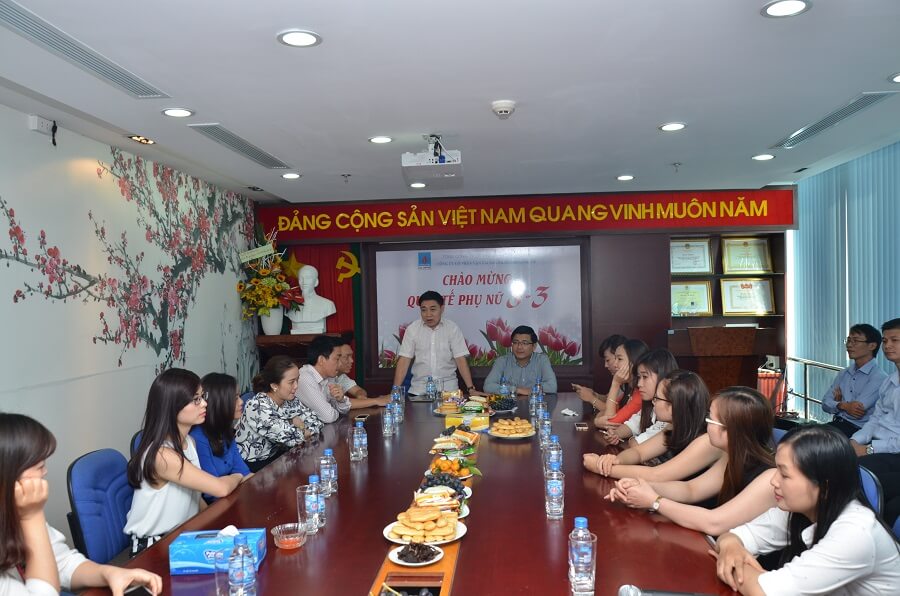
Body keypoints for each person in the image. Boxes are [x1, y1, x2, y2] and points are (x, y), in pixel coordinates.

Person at [713, 424, 900, 595]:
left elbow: (762, 591)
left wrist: (733, 563)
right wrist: (731, 547)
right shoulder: (799, 507)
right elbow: (733, 536)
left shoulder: (856, 533)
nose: (773, 481)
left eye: (784, 474)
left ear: (824, 487)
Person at [0, 413, 162, 596]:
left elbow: (63, 563)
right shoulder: (30, 514)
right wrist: (33, 516)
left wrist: (109, 573)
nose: (44, 472)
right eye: (38, 467)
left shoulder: (17, 510)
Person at [607, 386, 777, 536]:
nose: (706, 424)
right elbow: (690, 490)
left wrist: (654, 501)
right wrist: (641, 486)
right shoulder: (733, 455)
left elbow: (714, 522)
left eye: (711, 419)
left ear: (731, 430)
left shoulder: (770, 477)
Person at [125, 369, 245, 555]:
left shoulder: (189, 442)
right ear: (173, 407)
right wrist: (238, 476)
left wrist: (216, 528)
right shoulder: (162, 455)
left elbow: (195, 498)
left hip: (183, 536)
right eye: (196, 399)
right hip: (153, 546)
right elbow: (221, 488)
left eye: (202, 397)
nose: (204, 404)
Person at [584, 369, 709, 477]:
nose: (653, 402)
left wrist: (600, 467)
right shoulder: (673, 426)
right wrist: (614, 460)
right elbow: (639, 452)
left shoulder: (704, 439)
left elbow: (657, 475)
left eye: (657, 398)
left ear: (673, 406)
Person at [850, 317, 900, 526]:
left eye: (895, 340)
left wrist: (868, 450)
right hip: (880, 447)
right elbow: (875, 419)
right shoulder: (890, 381)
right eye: (885, 341)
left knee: (855, 475)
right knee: (836, 460)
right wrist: (855, 441)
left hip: (894, 453)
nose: (887, 346)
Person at [236, 355, 324, 472]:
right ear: (274, 386)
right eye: (291, 382)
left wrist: (300, 427)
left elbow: (317, 423)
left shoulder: (290, 400)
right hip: (253, 465)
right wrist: (300, 426)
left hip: (277, 457)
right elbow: (292, 438)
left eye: (297, 380)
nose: (296, 386)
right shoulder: (258, 407)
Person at [392, 291, 478, 396]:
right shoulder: (412, 329)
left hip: (449, 391)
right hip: (419, 391)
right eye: (424, 310)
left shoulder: (452, 328)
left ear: (442, 309)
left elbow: (460, 359)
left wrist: (471, 388)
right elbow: (404, 360)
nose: (428, 315)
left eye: (433, 309)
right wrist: (395, 391)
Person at [189, 373, 252, 502]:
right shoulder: (197, 438)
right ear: (220, 402)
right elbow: (213, 493)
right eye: (235, 398)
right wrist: (237, 477)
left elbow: (244, 473)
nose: (241, 402)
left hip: (230, 497)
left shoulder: (224, 430)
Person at [821, 323, 886, 437]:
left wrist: (837, 404)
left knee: (810, 441)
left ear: (872, 346)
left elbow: (856, 412)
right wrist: (843, 405)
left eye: (855, 341)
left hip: (858, 431)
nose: (849, 345)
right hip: (837, 424)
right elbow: (825, 403)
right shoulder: (844, 373)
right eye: (848, 340)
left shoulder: (879, 377)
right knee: (799, 435)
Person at [606, 348, 678, 445]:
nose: (639, 384)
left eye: (645, 377)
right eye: (639, 377)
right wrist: (616, 434)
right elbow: (632, 425)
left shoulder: (668, 412)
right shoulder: (650, 404)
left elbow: (637, 444)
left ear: (663, 376)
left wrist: (632, 439)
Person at [483, 325, 558, 395]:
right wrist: (516, 390)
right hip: (509, 403)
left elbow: (552, 386)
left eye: (524, 343)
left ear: (534, 346)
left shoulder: (542, 360)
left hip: (535, 402)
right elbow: (488, 386)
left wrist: (530, 390)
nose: (519, 347)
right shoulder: (502, 361)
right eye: (515, 342)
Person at [592, 339, 649, 429]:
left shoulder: (641, 393)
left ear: (634, 361)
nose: (615, 364)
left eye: (619, 359)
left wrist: (615, 384)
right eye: (615, 359)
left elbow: (610, 423)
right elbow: (604, 413)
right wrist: (597, 421)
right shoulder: (630, 388)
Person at [296, 335, 352, 422]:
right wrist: (335, 409)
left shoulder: (329, 377)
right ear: (321, 360)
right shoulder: (305, 378)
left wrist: (341, 400)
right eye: (337, 359)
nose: (340, 364)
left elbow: (344, 410)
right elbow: (328, 417)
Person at [332, 339, 391, 408]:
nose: (352, 361)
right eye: (346, 357)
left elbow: (358, 390)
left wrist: (361, 396)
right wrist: (376, 401)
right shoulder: (326, 378)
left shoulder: (341, 376)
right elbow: (341, 404)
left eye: (351, 356)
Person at [573, 333, 627, 408]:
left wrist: (591, 398)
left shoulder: (631, 382)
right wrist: (594, 394)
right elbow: (609, 399)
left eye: (607, 360)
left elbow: (613, 411)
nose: (605, 365)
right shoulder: (620, 378)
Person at [285, 265, 337, 334]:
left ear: (316, 282)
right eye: (301, 278)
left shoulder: (328, 305)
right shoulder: (289, 304)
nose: (304, 282)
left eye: (308, 278)